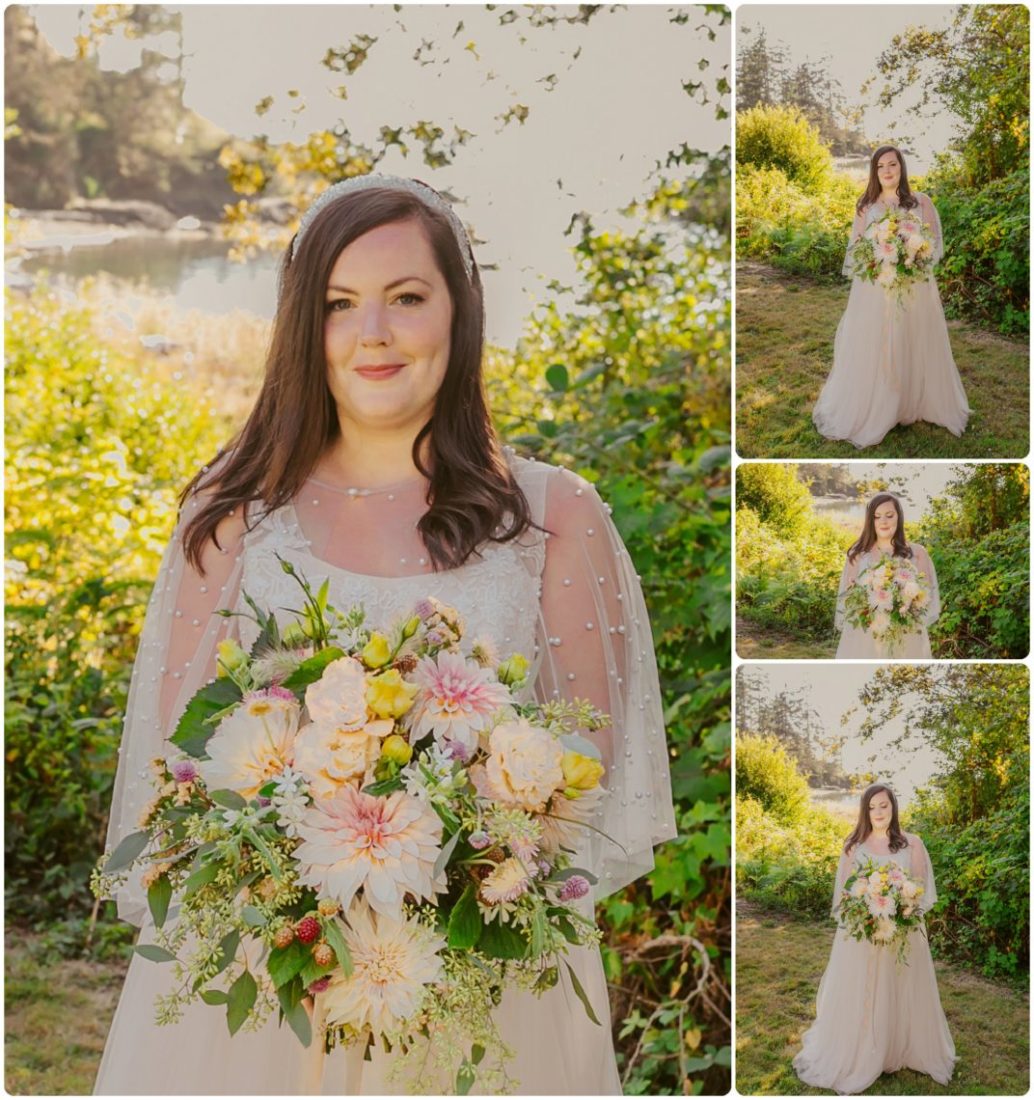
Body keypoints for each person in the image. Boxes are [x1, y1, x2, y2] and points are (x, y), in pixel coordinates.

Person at [94, 175, 676, 1094]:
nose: (374, 334)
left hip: (486, 995)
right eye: (340, 305)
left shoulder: (555, 520)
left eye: (406, 298)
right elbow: (183, 777)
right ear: (304, 328)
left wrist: (439, 881)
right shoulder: (234, 518)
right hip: (268, 983)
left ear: (459, 311)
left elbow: (582, 786)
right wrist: (300, 890)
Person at [793, 784, 956, 1093]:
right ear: (864, 811)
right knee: (865, 990)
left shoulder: (912, 843)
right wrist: (869, 911)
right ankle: (865, 1048)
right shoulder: (854, 846)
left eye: (884, 806)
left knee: (902, 987)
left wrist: (901, 910)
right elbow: (845, 894)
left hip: (902, 930)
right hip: (864, 932)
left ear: (893, 808)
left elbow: (918, 889)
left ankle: (900, 1046)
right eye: (872, 807)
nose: (879, 812)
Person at [812, 145, 971, 449]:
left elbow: (933, 244)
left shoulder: (920, 202)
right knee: (879, 343)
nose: (887, 171)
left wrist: (912, 256)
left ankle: (914, 401)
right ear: (874, 171)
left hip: (913, 285)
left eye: (892, 165)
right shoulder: (865, 206)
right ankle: (883, 403)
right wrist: (880, 259)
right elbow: (856, 248)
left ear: (901, 168)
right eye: (880, 166)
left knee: (913, 338)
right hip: (876, 287)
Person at [834, 492, 939, 658]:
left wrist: (902, 604)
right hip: (867, 636)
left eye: (889, 515)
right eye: (877, 516)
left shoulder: (918, 553)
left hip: (906, 634)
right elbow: (850, 600)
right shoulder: (858, 555)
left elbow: (926, 597)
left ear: (899, 517)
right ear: (871, 521)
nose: (883, 521)